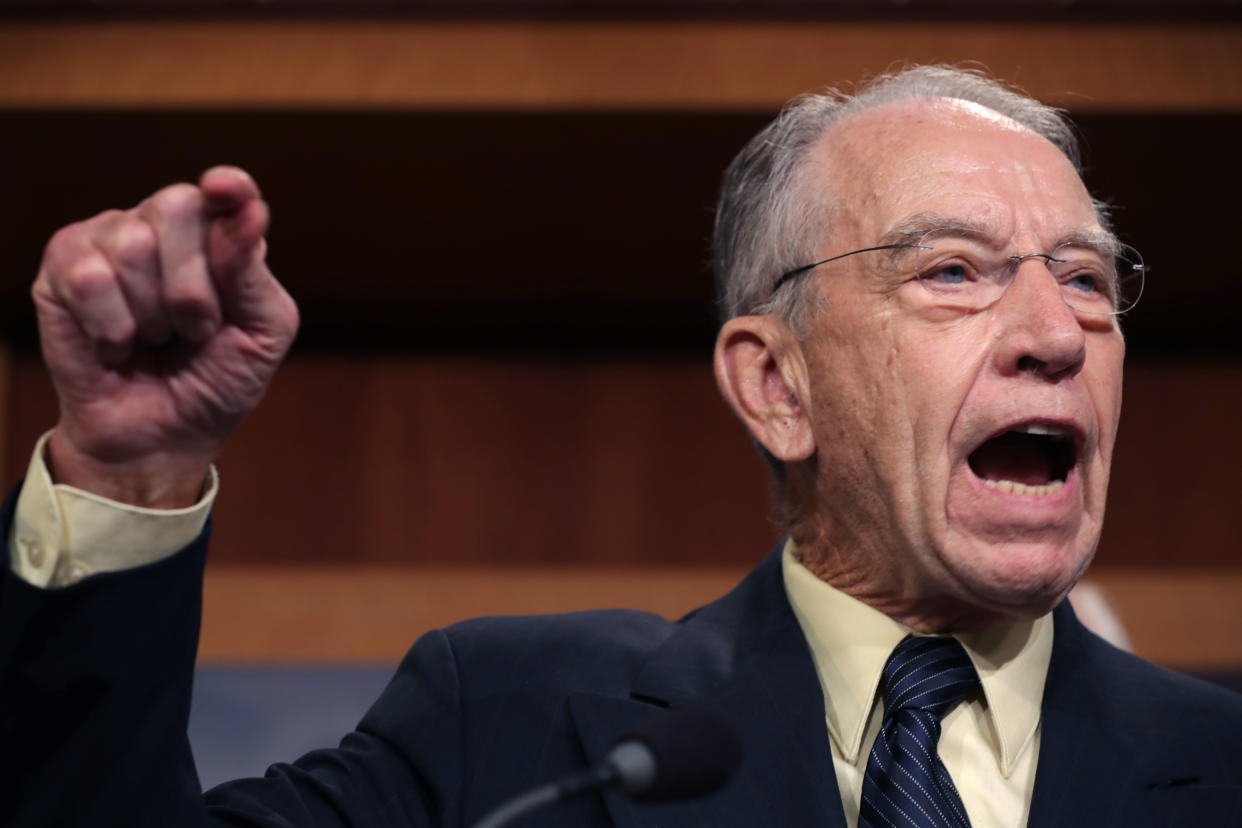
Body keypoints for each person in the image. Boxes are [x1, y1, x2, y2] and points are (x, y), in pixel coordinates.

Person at [2, 65, 1240, 828]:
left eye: (1086, 278)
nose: (1054, 334)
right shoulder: (512, 728)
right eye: (954, 271)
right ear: (776, 386)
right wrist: (124, 476)